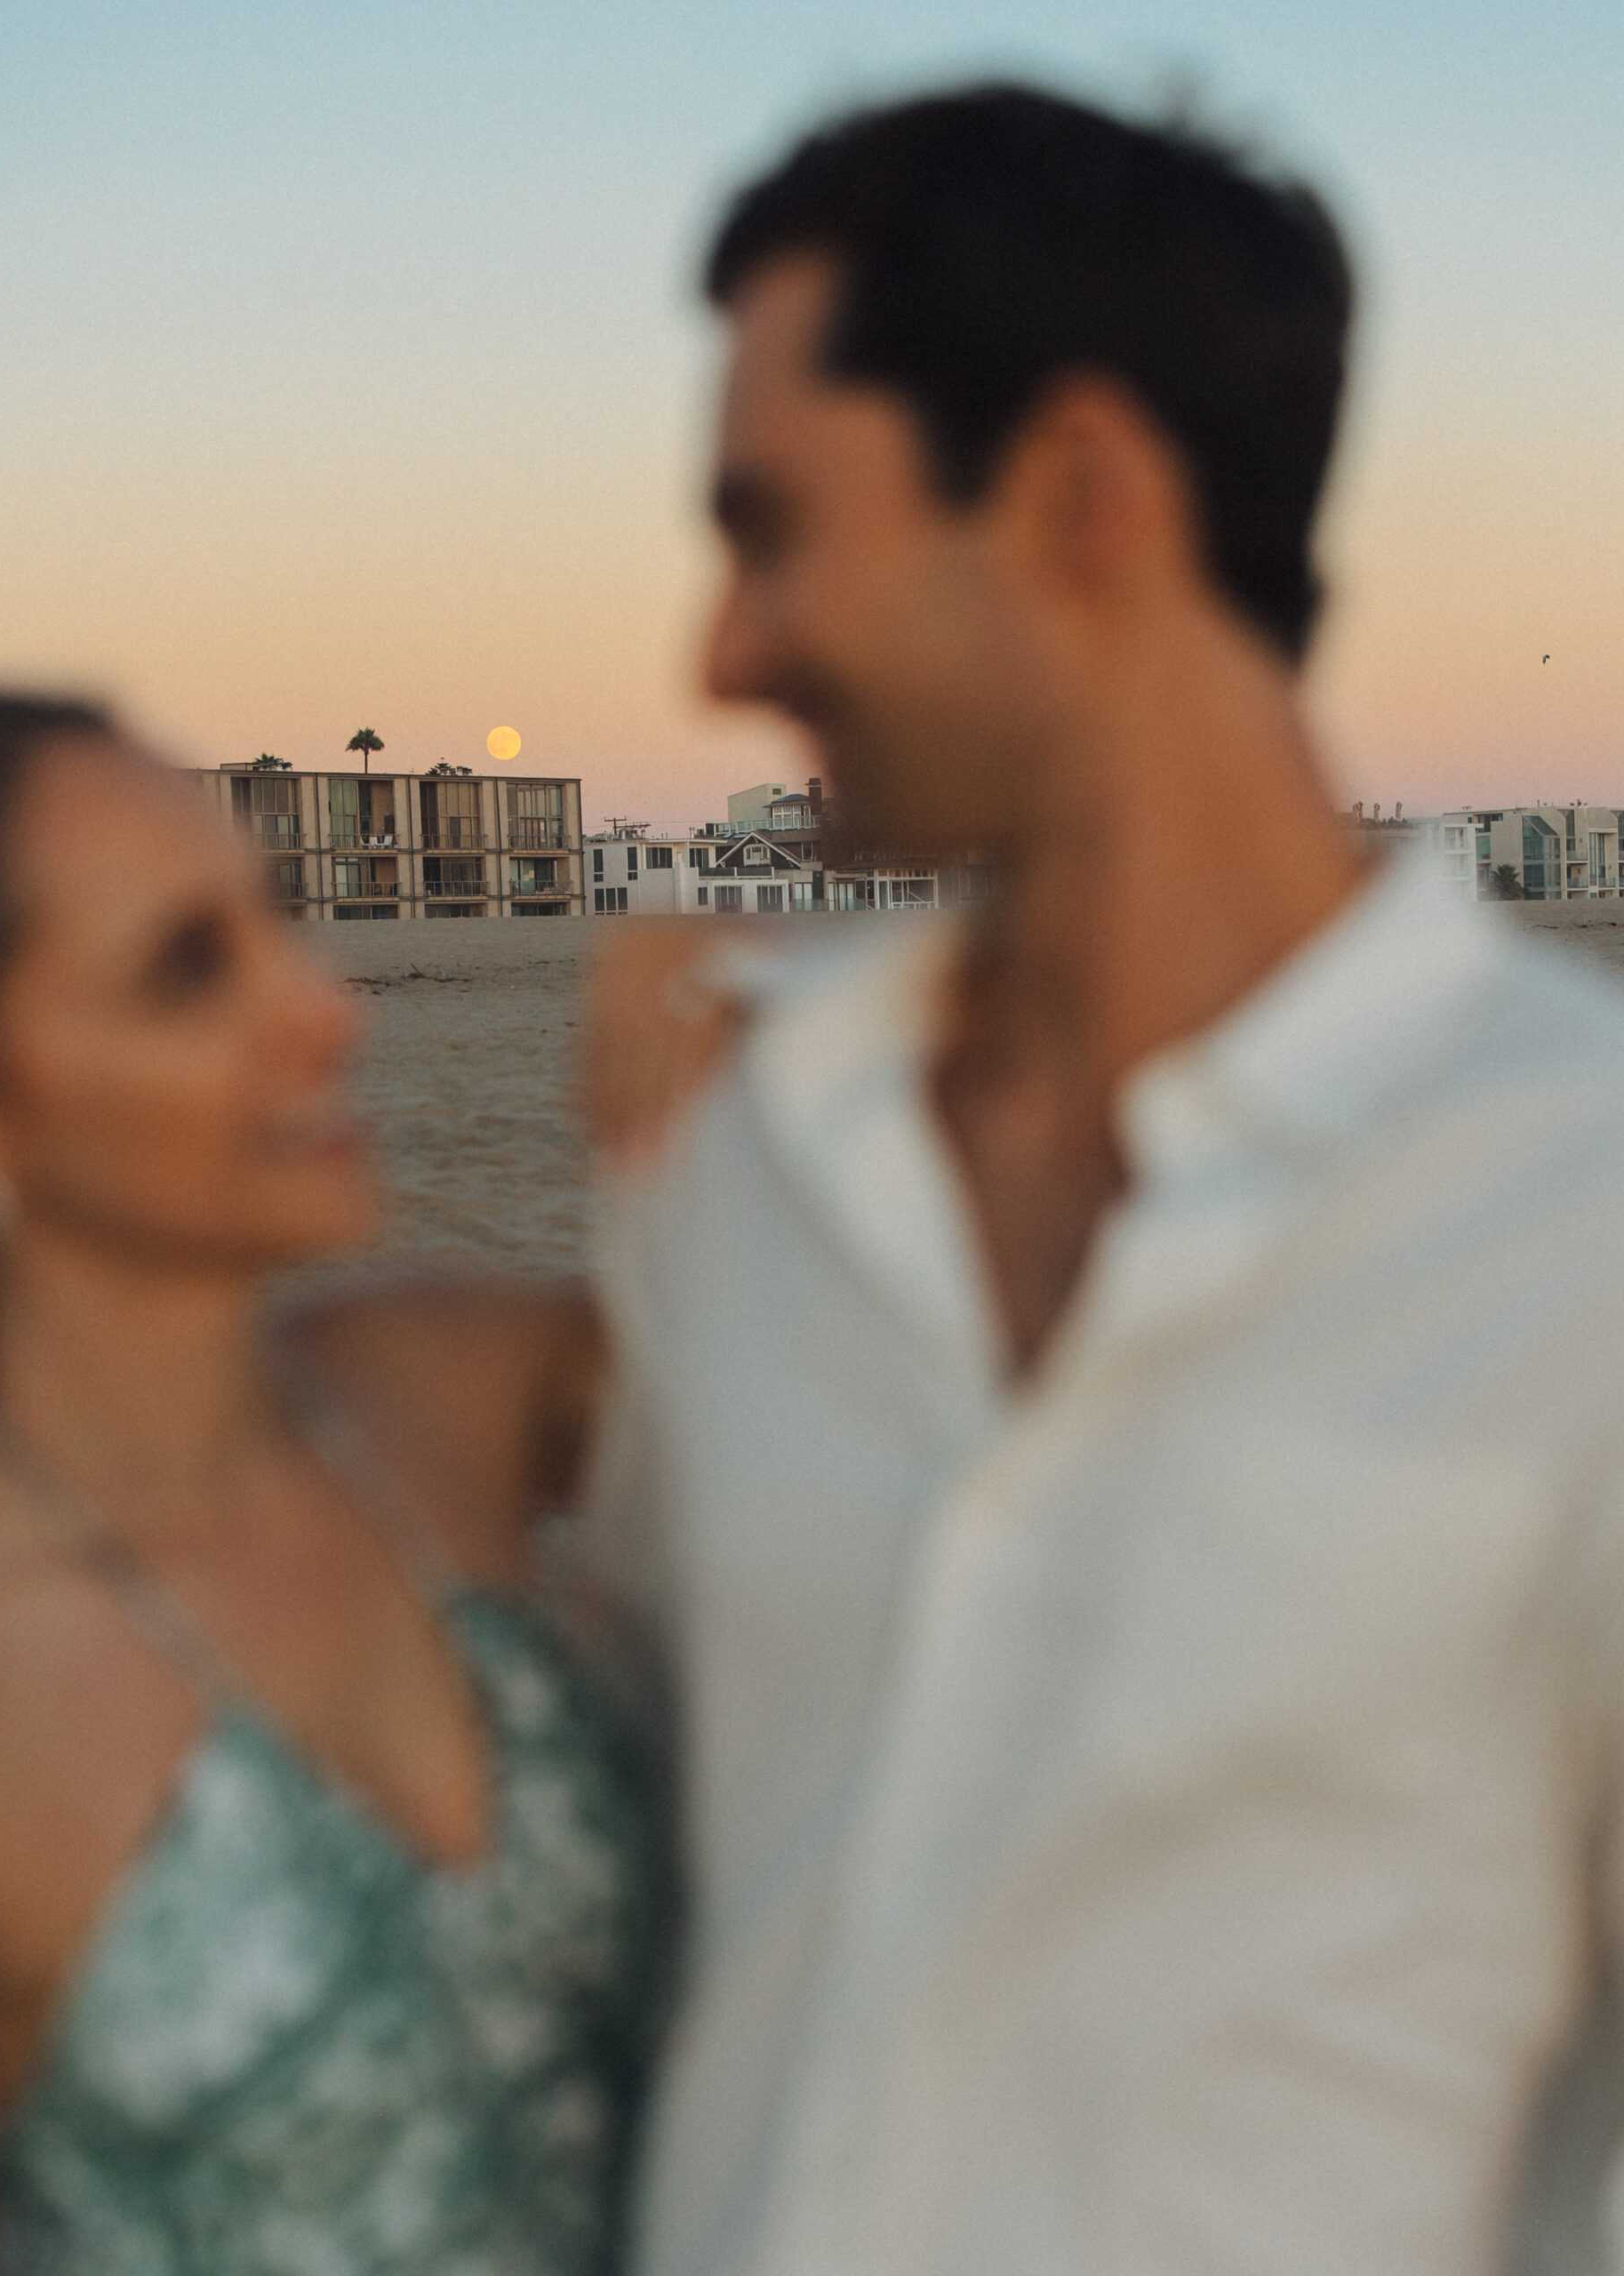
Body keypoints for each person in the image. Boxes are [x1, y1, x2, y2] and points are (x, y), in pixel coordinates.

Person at [580, 84, 1624, 2275]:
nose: (720, 653)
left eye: (772, 528)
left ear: (1079, 494)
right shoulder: (733, 1156)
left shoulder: (1579, 1207)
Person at [0, 693, 668, 2272]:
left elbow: (932, 1370)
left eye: (278, 920)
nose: (327, 1012)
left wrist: (717, 1068)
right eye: (190, 970)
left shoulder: (453, 1393)